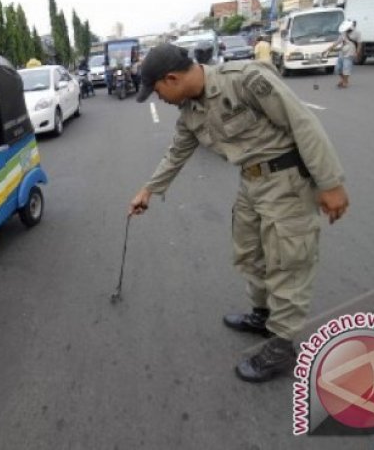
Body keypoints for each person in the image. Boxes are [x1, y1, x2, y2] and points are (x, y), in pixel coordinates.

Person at [128, 43, 349, 383]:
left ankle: (282, 345)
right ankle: (263, 315)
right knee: (250, 254)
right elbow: (176, 154)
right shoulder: (190, 111)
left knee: (287, 262)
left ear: (171, 78)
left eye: (157, 91)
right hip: (251, 182)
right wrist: (148, 190)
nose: (159, 99)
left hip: (285, 181)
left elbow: (302, 123)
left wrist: (330, 183)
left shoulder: (244, 80)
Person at [326, 20, 360, 89]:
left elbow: (360, 44)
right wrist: (328, 49)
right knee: (338, 68)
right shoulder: (343, 33)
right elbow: (337, 42)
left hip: (350, 54)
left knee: (346, 68)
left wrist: (357, 52)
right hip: (342, 53)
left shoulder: (357, 33)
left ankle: (345, 81)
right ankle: (343, 80)